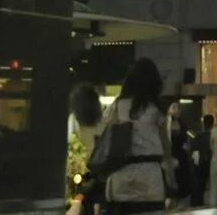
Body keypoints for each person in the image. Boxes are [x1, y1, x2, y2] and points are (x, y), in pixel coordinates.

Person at [101, 57, 171, 214]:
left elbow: (106, 136)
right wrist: (172, 181)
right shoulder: (156, 109)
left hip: (121, 176)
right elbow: (166, 147)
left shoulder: (118, 106)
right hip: (150, 179)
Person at [69, 84, 106, 215]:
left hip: (80, 194)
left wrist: (77, 200)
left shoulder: (74, 133)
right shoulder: (104, 132)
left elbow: (75, 173)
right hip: (101, 194)